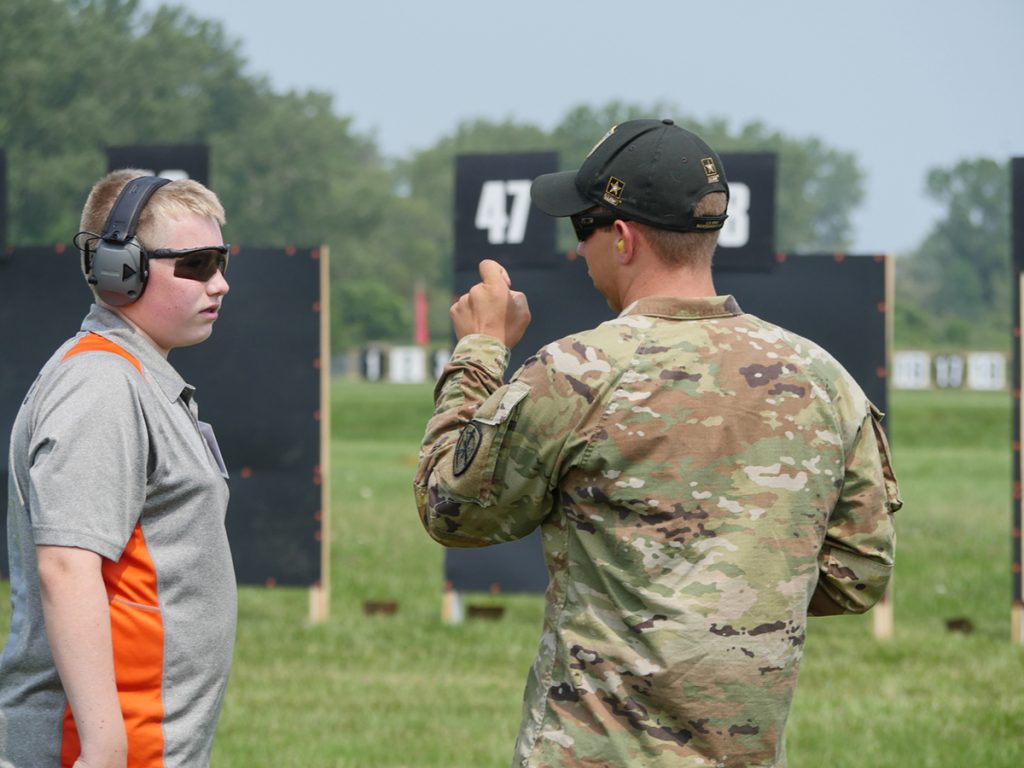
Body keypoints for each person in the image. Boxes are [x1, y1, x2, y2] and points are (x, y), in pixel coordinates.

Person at [414, 119, 901, 767]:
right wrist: (728, 603)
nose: (577, 250)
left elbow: (451, 508)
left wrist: (479, 350)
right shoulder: (823, 379)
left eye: (581, 228)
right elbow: (859, 570)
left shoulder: (577, 373)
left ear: (621, 236)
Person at [0, 169, 237, 768]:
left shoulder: (132, 378)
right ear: (120, 270)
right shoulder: (102, 385)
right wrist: (105, 747)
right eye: (198, 264)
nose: (220, 283)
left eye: (221, 260)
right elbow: (65, 567)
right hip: (99, 749)